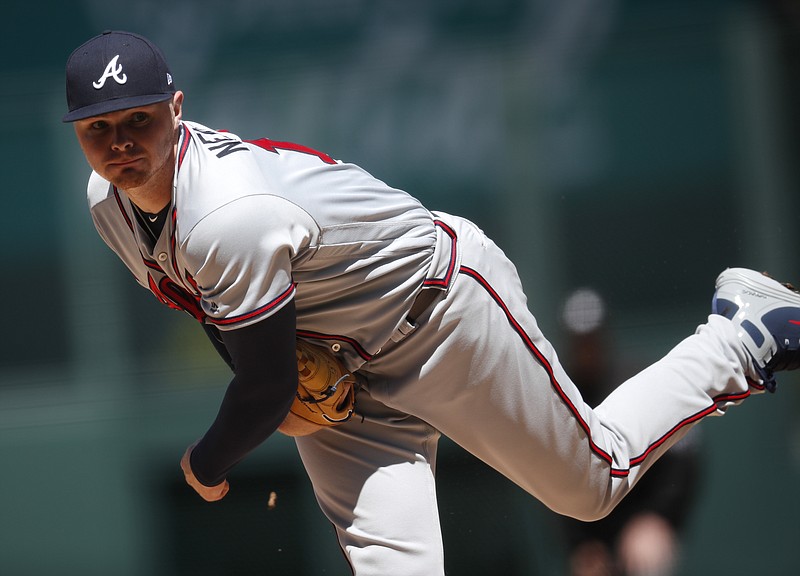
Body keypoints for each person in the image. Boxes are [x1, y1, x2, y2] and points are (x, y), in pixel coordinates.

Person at [64, 30, 800, 576]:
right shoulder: (108, 204)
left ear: (176, 108)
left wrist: (207, 463)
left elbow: (265, 388)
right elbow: (217, 316)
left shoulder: (228, 212)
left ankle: (742, 335)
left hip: (439, 315)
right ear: (78, 136)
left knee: (591, 485)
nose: (121, 143)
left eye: (139, 119)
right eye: (101, 128)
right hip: (344, 375)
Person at [557, 289, 701, 576]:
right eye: (580, 341)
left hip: (644, 520)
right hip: (594, 531)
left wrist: (659, 517)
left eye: (591, 338)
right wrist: (580, 544)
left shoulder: (634, 379)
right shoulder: (562, 396)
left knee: (645, 559)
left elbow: (684, 457)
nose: (587, 348)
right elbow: (550, 476)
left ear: (604, 336)